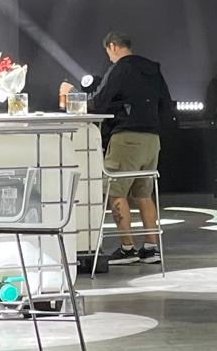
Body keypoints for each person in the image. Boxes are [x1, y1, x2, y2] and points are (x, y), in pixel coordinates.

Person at [64, 31, 172, 265]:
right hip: (152, 139)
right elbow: (166, 104)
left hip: (127, 138)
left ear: (112, 47)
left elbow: (98, 102)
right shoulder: (154, 70)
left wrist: (71, 93)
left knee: (115, 191)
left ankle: (127, 248)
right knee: (143, 193)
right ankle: (152, 248)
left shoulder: (121, 68)